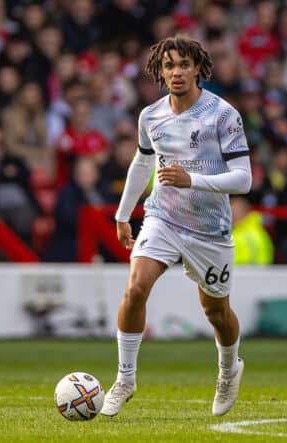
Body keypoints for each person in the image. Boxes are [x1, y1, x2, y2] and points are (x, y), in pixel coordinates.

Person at [100, 35, 252, 418]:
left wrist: (193, 180)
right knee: (135, 288)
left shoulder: (222, 115)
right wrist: (122, 214)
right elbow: (141, 163)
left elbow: (244, 179)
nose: (177, 72)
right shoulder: (150, 116)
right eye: (169, 66)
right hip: (162, 217)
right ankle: (125, 377)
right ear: (160, 71)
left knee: (216, 312)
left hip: (209, 229)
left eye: (184, 64)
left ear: (198, 67)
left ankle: (228, 368)